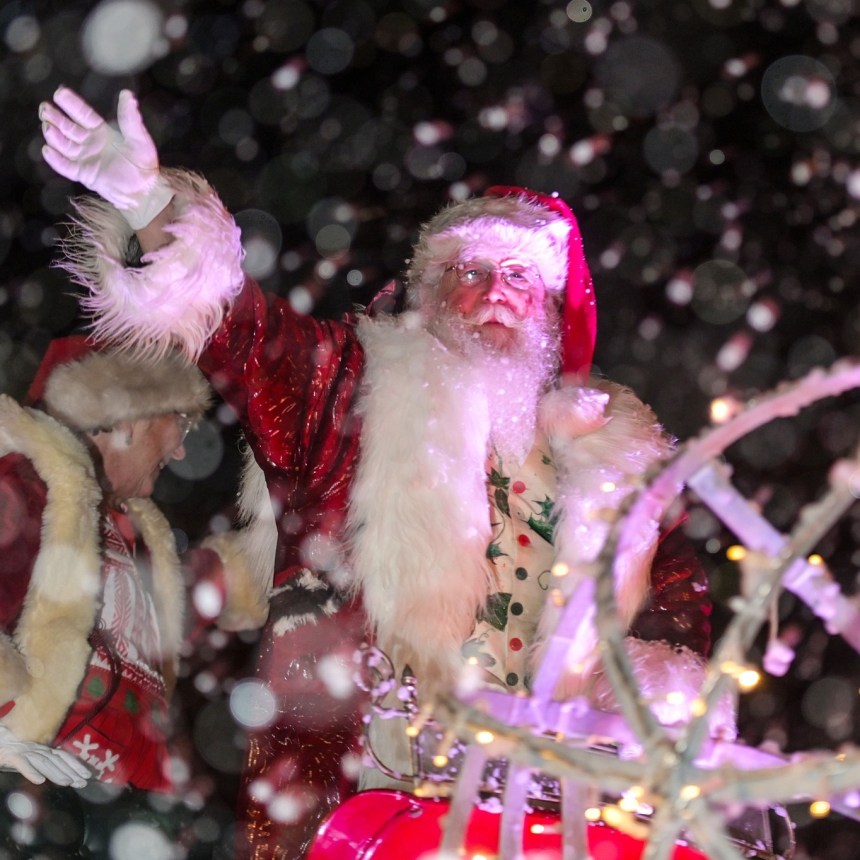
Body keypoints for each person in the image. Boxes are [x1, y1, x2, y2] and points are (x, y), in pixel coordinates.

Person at [38, 87, 734, 858]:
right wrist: (151, 207)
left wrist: (654, 695)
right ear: (431, 294)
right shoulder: (359, 392)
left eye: (519, 275)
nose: (495, 292)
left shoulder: (614, 459)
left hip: (559, 813)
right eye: (471, 270)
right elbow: (248, 334)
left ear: (548, 310)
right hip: (375, 798)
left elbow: (674, 611)